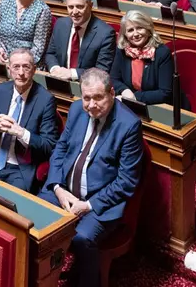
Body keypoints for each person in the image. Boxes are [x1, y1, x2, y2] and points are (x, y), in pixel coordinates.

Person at [46, 70, 147, 287]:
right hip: (65, 192)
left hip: (99, 202)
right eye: (87, 98)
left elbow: (126, 181)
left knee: (81, 238)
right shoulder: (76, 109)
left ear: (112, 93)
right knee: (35, 217)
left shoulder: (129, 125)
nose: (91, 105)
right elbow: (60, 149)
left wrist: (87, 205)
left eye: (98, 98)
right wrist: (57, 188)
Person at [0, 48, 60, 192]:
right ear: (9, 70)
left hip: (20, 170)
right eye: (16, 67)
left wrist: (21, 133)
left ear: (34, 70)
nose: (21, 72)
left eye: (26, 67)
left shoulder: (46, 100)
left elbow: (49, 146)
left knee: (10, 202)